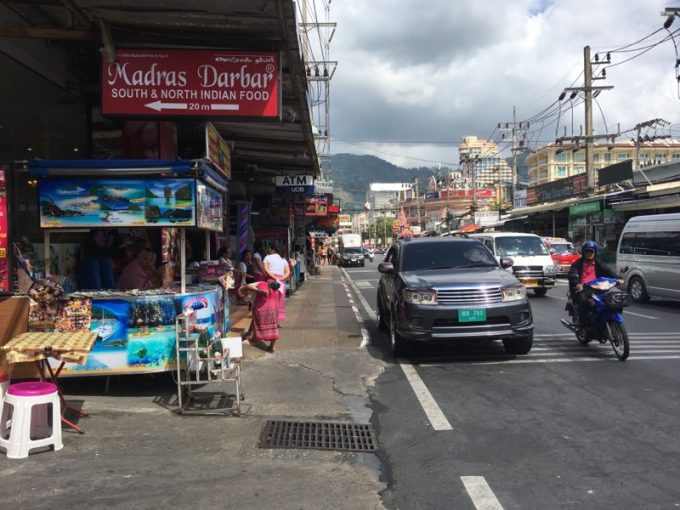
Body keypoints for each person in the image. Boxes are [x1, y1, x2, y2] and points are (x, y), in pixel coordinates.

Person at [567, 240, 624, 325]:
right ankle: (583, 323)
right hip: (583, 289)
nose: (589, 253)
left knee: (616, 299)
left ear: (595, 253)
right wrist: (578, 284)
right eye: (587, 251)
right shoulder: (577, 263)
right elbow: (572, 274)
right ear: (583, 252)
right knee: (584, 301)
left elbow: (608, 272)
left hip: (597, 288)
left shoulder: (598, 263)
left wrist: (618, 279)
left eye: (591, 251)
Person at [238, 279, 281, 352]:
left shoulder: (250, 288)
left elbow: (247, 287)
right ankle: (272, 346)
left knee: (258, 322)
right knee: (273, 325)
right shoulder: (265, 285)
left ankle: (254, 340)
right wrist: (249, 332)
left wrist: (258, 290)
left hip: (263, 305)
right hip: (274, 305)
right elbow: (253, 319)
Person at [263, 244, 291, 325]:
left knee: (269, 300)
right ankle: (276, 321)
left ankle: (269, 320)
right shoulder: (283, 259)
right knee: (279, 301)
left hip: (270, 280)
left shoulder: (267, 257)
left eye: (269, 248)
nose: (268, 250)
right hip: (281, 282)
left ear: (273, 249)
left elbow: (265, 269)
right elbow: (288, 272)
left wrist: (273, 277)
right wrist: (280, 279)